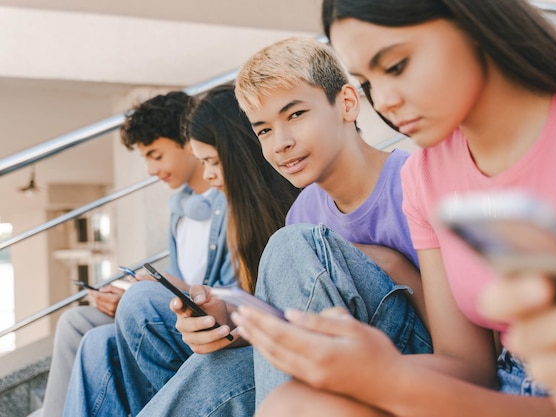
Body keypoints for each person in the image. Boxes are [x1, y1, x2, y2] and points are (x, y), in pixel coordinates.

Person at [230, 1, 556, 416]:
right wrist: (370, 370)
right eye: (367, 82)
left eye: (396, 66)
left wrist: (390, 381)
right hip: (503, 386)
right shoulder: (426, 173)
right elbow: (467, 365)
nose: (383, 100)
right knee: (294, 402)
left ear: (474, 23)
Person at [135, 36, 431, 417]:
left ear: (347, 103)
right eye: (263, 130)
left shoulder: (411, 182)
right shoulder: (304, 209)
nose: (280, 144)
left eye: (295, 115)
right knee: (215, 371)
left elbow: (463, 339)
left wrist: (384, 265)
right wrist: (227, 326)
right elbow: (290, 324)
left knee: (292, 244)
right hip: (331, 359)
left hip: (413, 363)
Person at [62, 83, 301, 416]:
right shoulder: (186, 212)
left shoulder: (271, 215)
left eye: (155, 155)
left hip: (256, 346)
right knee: (93, 340)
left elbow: (258, 302)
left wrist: (197, 298)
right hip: (223, 326)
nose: (210, 174)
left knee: (139, 302)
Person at [29, 91, 234, 417]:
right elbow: (183, 278)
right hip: (175, 308)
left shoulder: (230, 200)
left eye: (156, 155)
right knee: (76, 320)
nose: (152, 170)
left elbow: (227, 292)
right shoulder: (179, 211)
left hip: (202, 318)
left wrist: (150, 292)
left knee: (131, 310)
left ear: (188, 142)